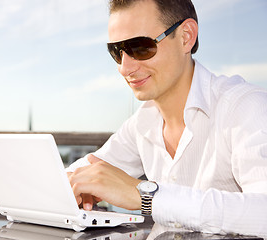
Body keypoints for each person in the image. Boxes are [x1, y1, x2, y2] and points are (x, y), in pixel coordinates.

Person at [66, 0, 267, 237]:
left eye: (140, 47)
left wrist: (146, 196)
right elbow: (84, 173)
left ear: (186, 37)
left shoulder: (245, 107)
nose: (124, 68)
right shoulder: (142, 123)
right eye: (116, 52)